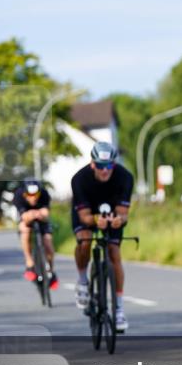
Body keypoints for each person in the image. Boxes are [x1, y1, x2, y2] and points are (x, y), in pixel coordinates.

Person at [71, 142, 134, 331]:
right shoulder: (79, 179)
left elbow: (123, 213)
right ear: (92, 164)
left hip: (112, 213)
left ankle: (119, 309)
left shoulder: (125, 177)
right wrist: (94, 220)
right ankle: (83, 280)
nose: (105, 170)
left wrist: (119, 220)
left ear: (114, 164)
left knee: (114, 253)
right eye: (100, 166)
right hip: (88, 212)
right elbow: (84, 217)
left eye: (108, 166)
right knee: (84, 241)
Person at [13, 178, 58, 289]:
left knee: (48, 243)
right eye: (29, 195)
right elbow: (24, 217)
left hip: (41, 219)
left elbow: (46, 213)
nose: (33, 198)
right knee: (25, 230)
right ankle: (29, 262)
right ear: (24, 194)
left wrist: (37, 214)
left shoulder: (44, 194)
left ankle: (51, 271)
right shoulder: (18, 196)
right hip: (26, 220)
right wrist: (34, 214)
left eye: (35, 195)